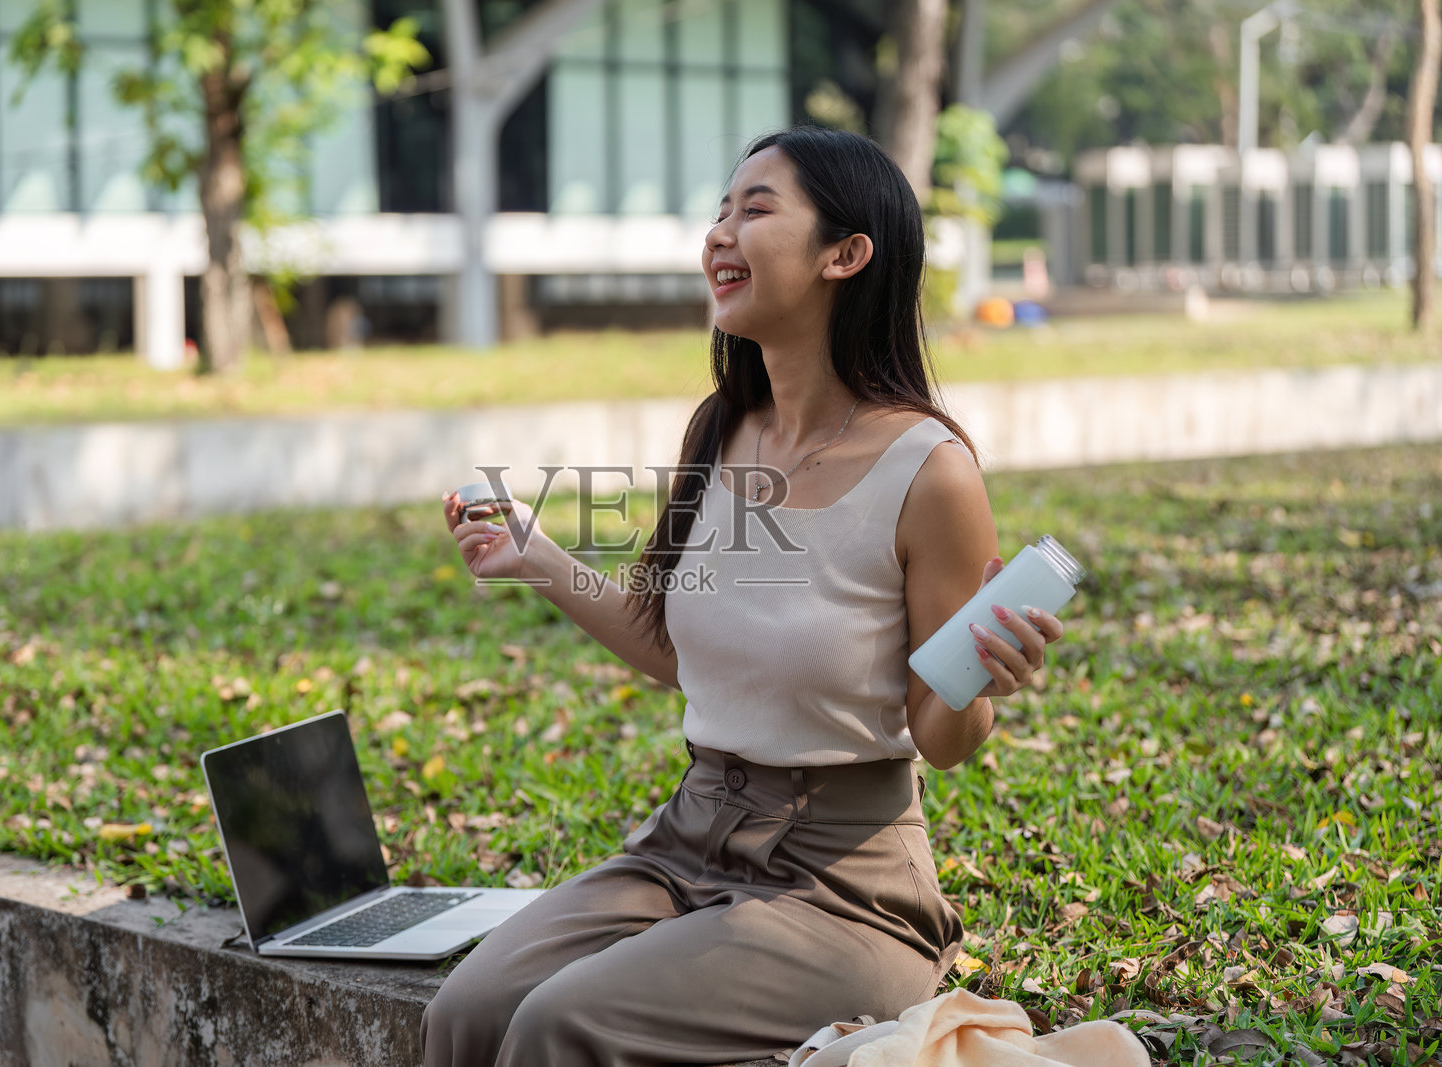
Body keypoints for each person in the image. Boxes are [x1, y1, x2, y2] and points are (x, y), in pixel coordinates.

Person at [425, 125, 1066, 1067]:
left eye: (756, 209)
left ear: (846, 254)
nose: (720, 234)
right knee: (465, 1010)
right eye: (720, 210)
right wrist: (537, 552)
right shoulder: (722, 432)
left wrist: (983, 681)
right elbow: (674, 650)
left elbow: (940, 736)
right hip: (685, 839)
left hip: (844, 886)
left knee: (559, 1025)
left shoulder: (931, 471)